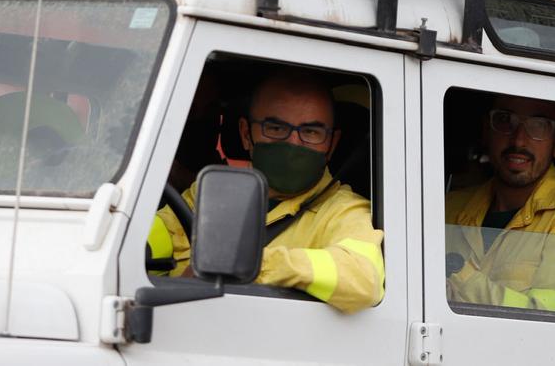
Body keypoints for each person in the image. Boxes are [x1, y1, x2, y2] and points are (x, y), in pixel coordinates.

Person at [152, 68, 384, 314]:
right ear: (245, 134)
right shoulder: (211, 194)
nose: (294, 143)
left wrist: (251, 266)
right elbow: (137, 243)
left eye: (311, 132)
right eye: (276, 128)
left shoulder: (345, 212)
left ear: (331, 144)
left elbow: (363, 279)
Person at [445, 94, 555, 313]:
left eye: (539, 125)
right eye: (505, 120)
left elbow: (552, 317)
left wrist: (458, 275)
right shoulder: (448, 207)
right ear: (487, 131)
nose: (519, 140)